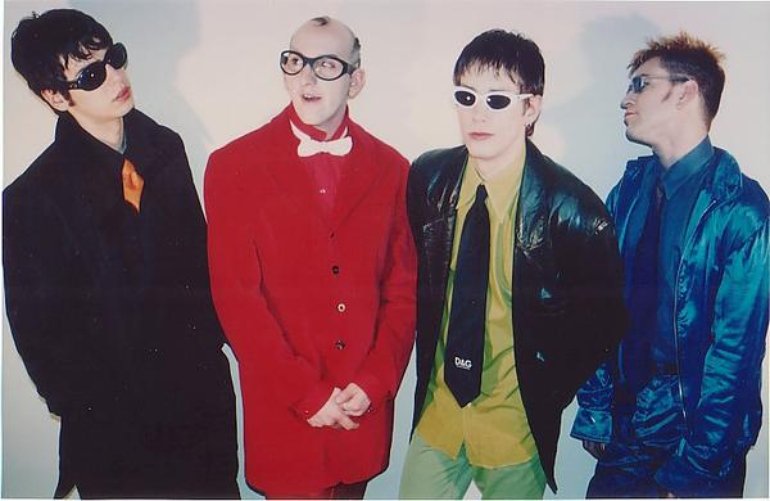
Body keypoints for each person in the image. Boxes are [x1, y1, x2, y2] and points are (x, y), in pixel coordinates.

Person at [3, 9, 239, 499]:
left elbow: (202, 270)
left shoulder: (166, 148)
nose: (116, 77)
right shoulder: (31, 199)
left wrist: (209, 357)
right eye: (92, 74)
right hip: (117, 440)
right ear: (54, 96)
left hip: (201, 415)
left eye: (115, 57)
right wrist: (94, 409)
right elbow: (40, 336)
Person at [399, 29, 627, 499]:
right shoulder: (428, 179)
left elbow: (604, 322)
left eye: (497, 99)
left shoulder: (575, 211)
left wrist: (544, 389)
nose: (478, 113)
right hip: (439, 416)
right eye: (466, 96)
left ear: (531, 108)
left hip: (515, 431)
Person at [204, 16, 416, 499]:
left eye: (326, 65)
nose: (307, 78)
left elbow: (402, 292)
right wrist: (306, 393)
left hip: (360, 414)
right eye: (295, 62)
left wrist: (375, 381)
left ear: (355, 81)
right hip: (284, 418)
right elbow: (237, 301)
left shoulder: (394, 169)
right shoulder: (233, 166)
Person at [571, 32, 769, 498]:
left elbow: (735, 356)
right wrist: (597, 407)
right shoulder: (627, 192)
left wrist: (699, 466)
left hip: (699, 436)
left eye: (641, 84)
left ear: (685, 92)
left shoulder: (740, 210)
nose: (626, 98)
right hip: (627, 427)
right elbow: (597, 310)